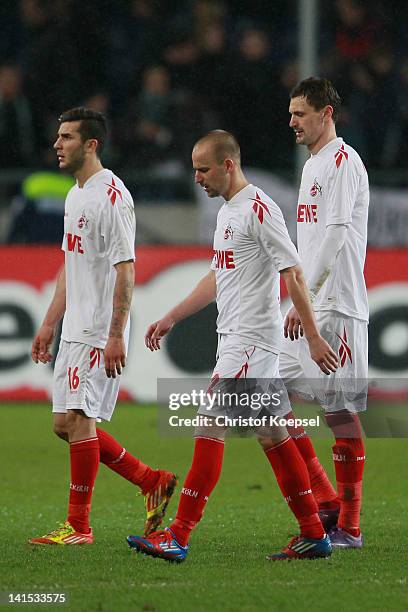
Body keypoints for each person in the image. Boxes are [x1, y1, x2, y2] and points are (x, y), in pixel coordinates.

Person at [127, 129, 339, 562]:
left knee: (209, 428)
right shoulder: (228, 212)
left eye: (203, 169)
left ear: (228, 165)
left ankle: (179, 535)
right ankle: (314, 531)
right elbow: (216, 277)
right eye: (193, 170)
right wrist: (172, 316)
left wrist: (314, 336)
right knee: (274, 435)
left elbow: (294, 273)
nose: (197, 178)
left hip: (249, 345)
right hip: (243, 343)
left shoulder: (258, 209)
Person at [29, 107, 177, 545]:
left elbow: (126, 270)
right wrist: (49, 323)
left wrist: (115, 334)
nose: (58, 144)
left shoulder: (112, 196)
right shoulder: (75, 195)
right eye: (58, 137)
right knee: (64, 423)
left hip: (98, 329)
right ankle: (150, 480)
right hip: (75, 327)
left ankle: (79, 526)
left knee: (79, 419)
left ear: (91, 144)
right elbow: (69, 265)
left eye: (67, 137)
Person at [280, 77, 369, 548]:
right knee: (266, 396)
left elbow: (335, 236)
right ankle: (326, 496)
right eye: (291, 113)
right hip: (309, 303)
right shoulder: (313, 164)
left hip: (336, 305)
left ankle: (350, 525)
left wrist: (306, 298)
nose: (291, 121)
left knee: (340, 411)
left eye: (299, 113)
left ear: (325, 113)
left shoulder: (343, 162)